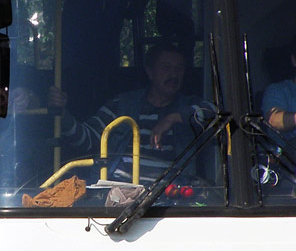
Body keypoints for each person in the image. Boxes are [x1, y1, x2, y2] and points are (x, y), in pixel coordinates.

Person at [48, 42, 213, 184]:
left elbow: (217, 116)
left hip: (171, 198)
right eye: (166, 67)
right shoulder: (120, 105)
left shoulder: (189, 105)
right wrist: (62, 114)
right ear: (150, 72)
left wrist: (174, 118)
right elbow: (86, 140)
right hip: (115, 195)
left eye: (179, 69)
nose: (173, 74)